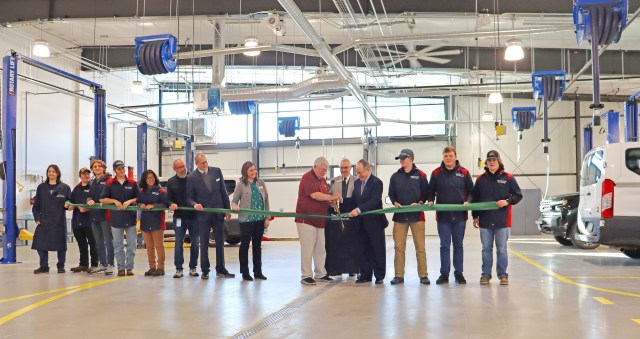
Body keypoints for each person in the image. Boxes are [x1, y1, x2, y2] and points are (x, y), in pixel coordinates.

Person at [472, 150, 523, 286]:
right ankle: (485, 275)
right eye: (489, 160)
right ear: (486, 163)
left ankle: (502, 275)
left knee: (501, 249)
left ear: (499, 161)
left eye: (494, 160)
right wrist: (475, 216)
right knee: (486, 249)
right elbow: (475, 199)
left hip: (502, 220)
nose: (492, 162)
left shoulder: (508, 178)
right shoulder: (480, 179)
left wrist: (507, 201)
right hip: (485, 220)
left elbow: (518, 195)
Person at [427, 146, 474, 285]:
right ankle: (444, 274)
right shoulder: (436, 173)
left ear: (456, 156)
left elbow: (472, 191)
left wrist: (468, 201)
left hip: (460, 217)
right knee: (444, 246)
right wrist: (430, 200)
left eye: (450, 156)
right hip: (443, 217)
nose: (448, 158)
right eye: (446, 156)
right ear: (443, 157)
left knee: (458, 246)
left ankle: (459, 273)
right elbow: (430, 190)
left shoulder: (464, 173)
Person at [186, 153, 234, 279]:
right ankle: (205, 270)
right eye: (202, 163)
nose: (205, 164)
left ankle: (221, 269)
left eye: (206, 161)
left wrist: (227, 209)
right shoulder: (191, 177)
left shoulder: (217, 171)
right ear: (197, 164)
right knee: (204, 243)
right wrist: (194, 204)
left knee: (220, 242)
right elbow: (189, 198)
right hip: (203, 216)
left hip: (218, 214)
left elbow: (223, 191)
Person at [295, 156, 340, 285]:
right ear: (315, 167)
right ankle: (306, 275)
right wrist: (331, 196)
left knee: (321, 249)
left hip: (320, 220)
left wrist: (331, 203)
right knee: (308, 248)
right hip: (306, 220)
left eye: (325, 170)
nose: (324, 172)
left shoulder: (323, 181)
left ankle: (320, 273)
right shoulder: (307, 177)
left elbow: (324, 198)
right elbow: (315, 195)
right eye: (322, 170)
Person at [388, 149, 430, 285]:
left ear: (411, 159)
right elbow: (391, 194)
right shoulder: (395, 176)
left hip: (417, 216)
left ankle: (423, 275)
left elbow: (427, 194)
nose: (401, 160)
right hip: (400, 217)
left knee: (420, 248)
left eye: (403, 158)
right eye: (400, 158)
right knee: (399, 248)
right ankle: (398, 275)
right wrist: (394, 202)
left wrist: (419, 203)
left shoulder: (421, 175)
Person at [349, 159, 388, 285]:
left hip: (375, 223)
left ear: (368, 170)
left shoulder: (377, 182)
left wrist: (359, 210)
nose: (358, 175)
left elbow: (375, 201)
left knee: (377, 249)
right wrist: (341, 201)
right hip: (360, 223)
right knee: (363, 249)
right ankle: (365, 275)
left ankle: (379, 275)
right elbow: (354, 200)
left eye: (360, 172)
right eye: (357, 173)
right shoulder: (356, 183)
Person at [231, 161, 270, 281]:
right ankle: (245, 272)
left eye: (254, 170)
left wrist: (267, 217)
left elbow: (266, 201)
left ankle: (258, 271)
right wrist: (234, 207)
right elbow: (234, 201)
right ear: (245, 172)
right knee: (245, 246)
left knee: (257, 246)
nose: (254, 172)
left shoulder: (261, 183)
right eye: (251, 170)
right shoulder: (241, 185)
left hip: (259, 219)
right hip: (246, 220)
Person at [100, 160, 139, 276]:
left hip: (131, 219)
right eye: (119, 169)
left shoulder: (132, 183)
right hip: (116, 219)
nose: (121, 171)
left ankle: (130, 267)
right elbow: (102, 199)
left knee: (131, 245)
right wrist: (114, 201)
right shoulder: (110, 183)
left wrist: (130, 201)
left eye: (123, 168)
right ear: (114, 171)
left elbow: (139, 198)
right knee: (118, 245)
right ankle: (121, 268)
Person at [32, 164, 72, 274]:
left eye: (53, 171)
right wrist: (37, 218)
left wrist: (68, 206)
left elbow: (70, 203)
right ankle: (44, 266)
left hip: (59, 221)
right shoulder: (41, 187)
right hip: (44, 221)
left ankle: (61, 266)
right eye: (49, 171)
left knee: (61, 245)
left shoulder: (65, 188)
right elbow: (36, 206)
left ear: (57, 173)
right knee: (41, 245)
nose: (51, 173)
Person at [325, 158, 358, 277]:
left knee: (351, 243)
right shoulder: (334, 181)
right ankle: (338, 268)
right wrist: (332, 203)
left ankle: (351, 269)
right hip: (337, 217)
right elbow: (328, 196)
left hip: (352, 216)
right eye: (342, 167)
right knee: (338, 243)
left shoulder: (357, 180)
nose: (344, 170)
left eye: (346, 167)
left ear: (350, 168)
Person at [167, 159, 200, 278]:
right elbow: (168, 199)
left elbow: (199, 194)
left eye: (183, 166)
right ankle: (179, 269)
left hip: (194, 217)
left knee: (195, 243)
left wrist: (198, 204)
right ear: (175, 169)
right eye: (179, 167)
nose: (183, 169)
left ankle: (193, 267)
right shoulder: (171, 182)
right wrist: (171, 204)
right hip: (179, 217)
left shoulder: (193, 178)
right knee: (178, 243)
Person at [67, 167, 99, 273]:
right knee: (81, 244)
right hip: (77, 221)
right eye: (83, 174)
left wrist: (88, 208)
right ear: (79, 176)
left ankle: (94, 264)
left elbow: (98, 203)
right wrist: (69, 205)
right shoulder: (76, 189)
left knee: (93, 243)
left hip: (90, 221)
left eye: (87, 174)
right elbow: (70, 202)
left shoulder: (93, 188)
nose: (86, 176)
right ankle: (83, 264)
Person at [138, 169, 169, 277]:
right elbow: (138, 201)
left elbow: (166, 204)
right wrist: (140, 204)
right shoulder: (141, 191)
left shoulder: (161, 191)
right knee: (149, 247)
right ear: (144, 180)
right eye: (148, 178)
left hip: (157, 222)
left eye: (152, 177)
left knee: (159, 246)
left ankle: (161, 268)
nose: (150, 180)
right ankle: (152, 267)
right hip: (145, 222)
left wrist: (154, 206)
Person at [87, 159, 114, 275]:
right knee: (98, 242)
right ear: (92, 169)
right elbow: (88, 195)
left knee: (108, 241)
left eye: (99, 166)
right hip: (94, 215)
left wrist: (106, 201)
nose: (97, 168)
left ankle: (111, 264)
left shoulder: (109, 180)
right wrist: (89, 200)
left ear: (104, 168)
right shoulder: (92, 182)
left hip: (105, 215)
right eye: (94, 166)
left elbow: (112, 195)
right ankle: (102, 263)